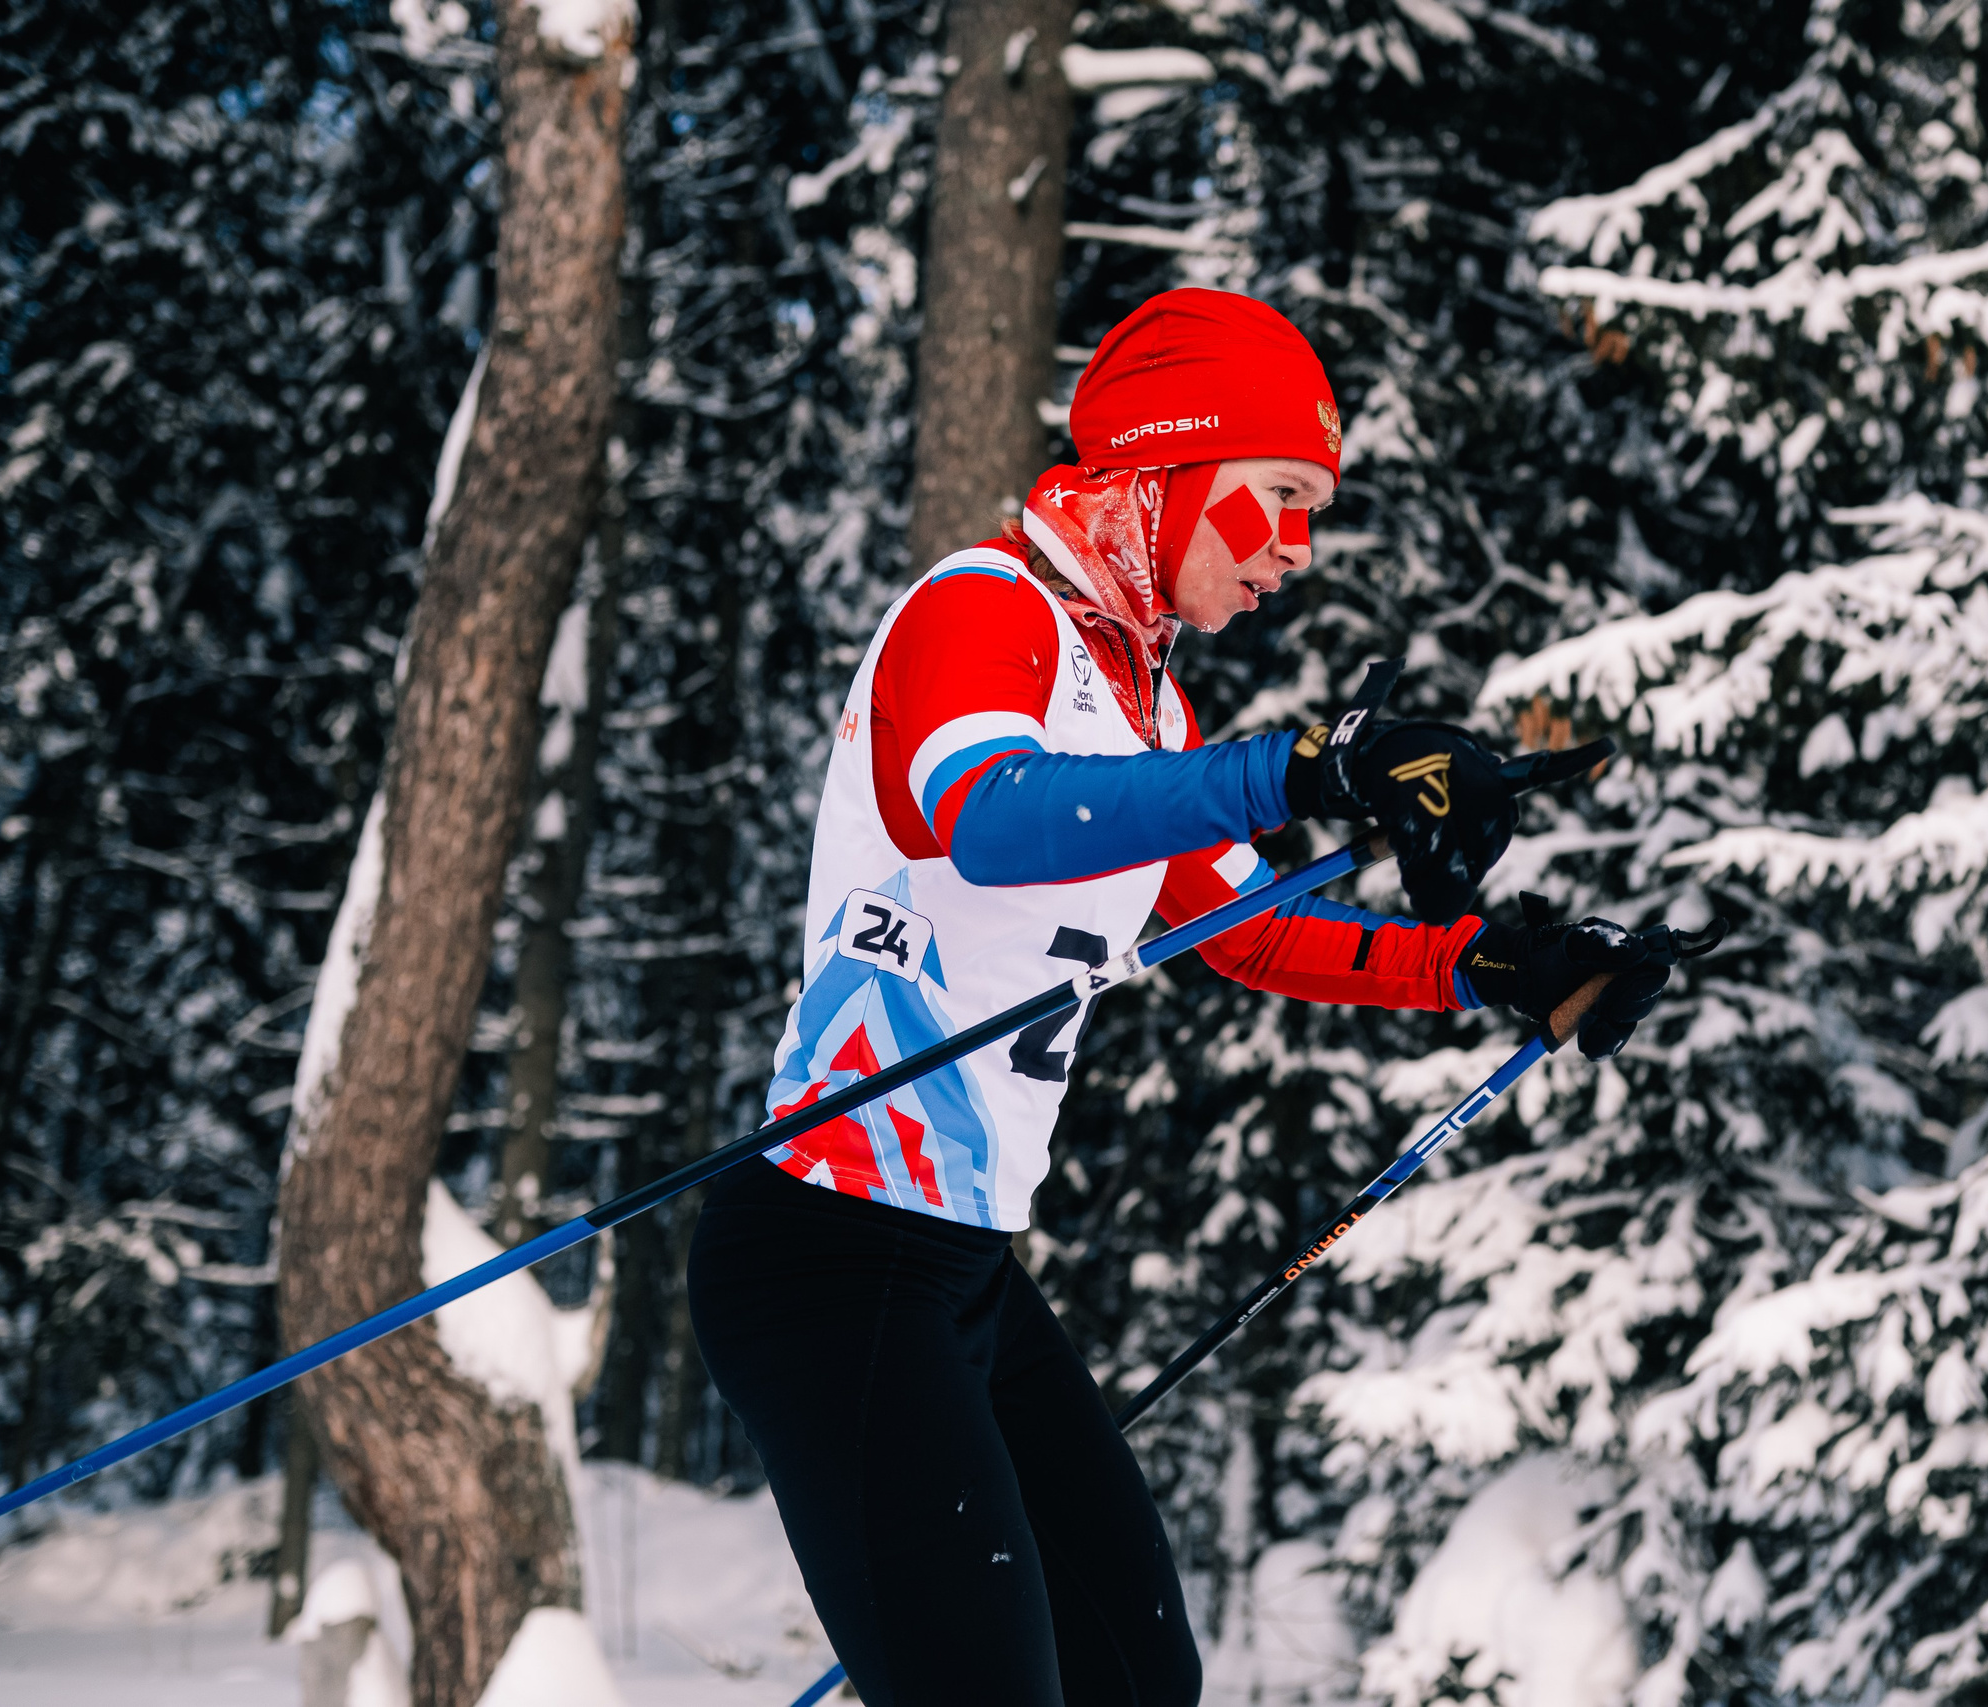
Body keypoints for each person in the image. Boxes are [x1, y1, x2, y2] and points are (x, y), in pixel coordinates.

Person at [687, 289, 1676, 1707]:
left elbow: (1247, 935)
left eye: (1310, 510)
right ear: (1164, 466)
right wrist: (1302, 770)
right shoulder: (980, 612)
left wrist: (1490, 966)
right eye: (1272, 497)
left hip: (958, 1272)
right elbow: (990, 813)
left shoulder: (1137, 699)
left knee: (1137, 1678)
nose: (1294, 550)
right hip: (829, 1262)